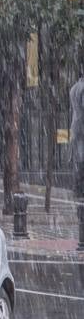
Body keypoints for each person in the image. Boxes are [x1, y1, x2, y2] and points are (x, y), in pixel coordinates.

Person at [70, 75, 84, 250]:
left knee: (79, 158)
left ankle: (78, 189)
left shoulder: (75, 87)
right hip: (81, 128)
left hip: (77, 127)